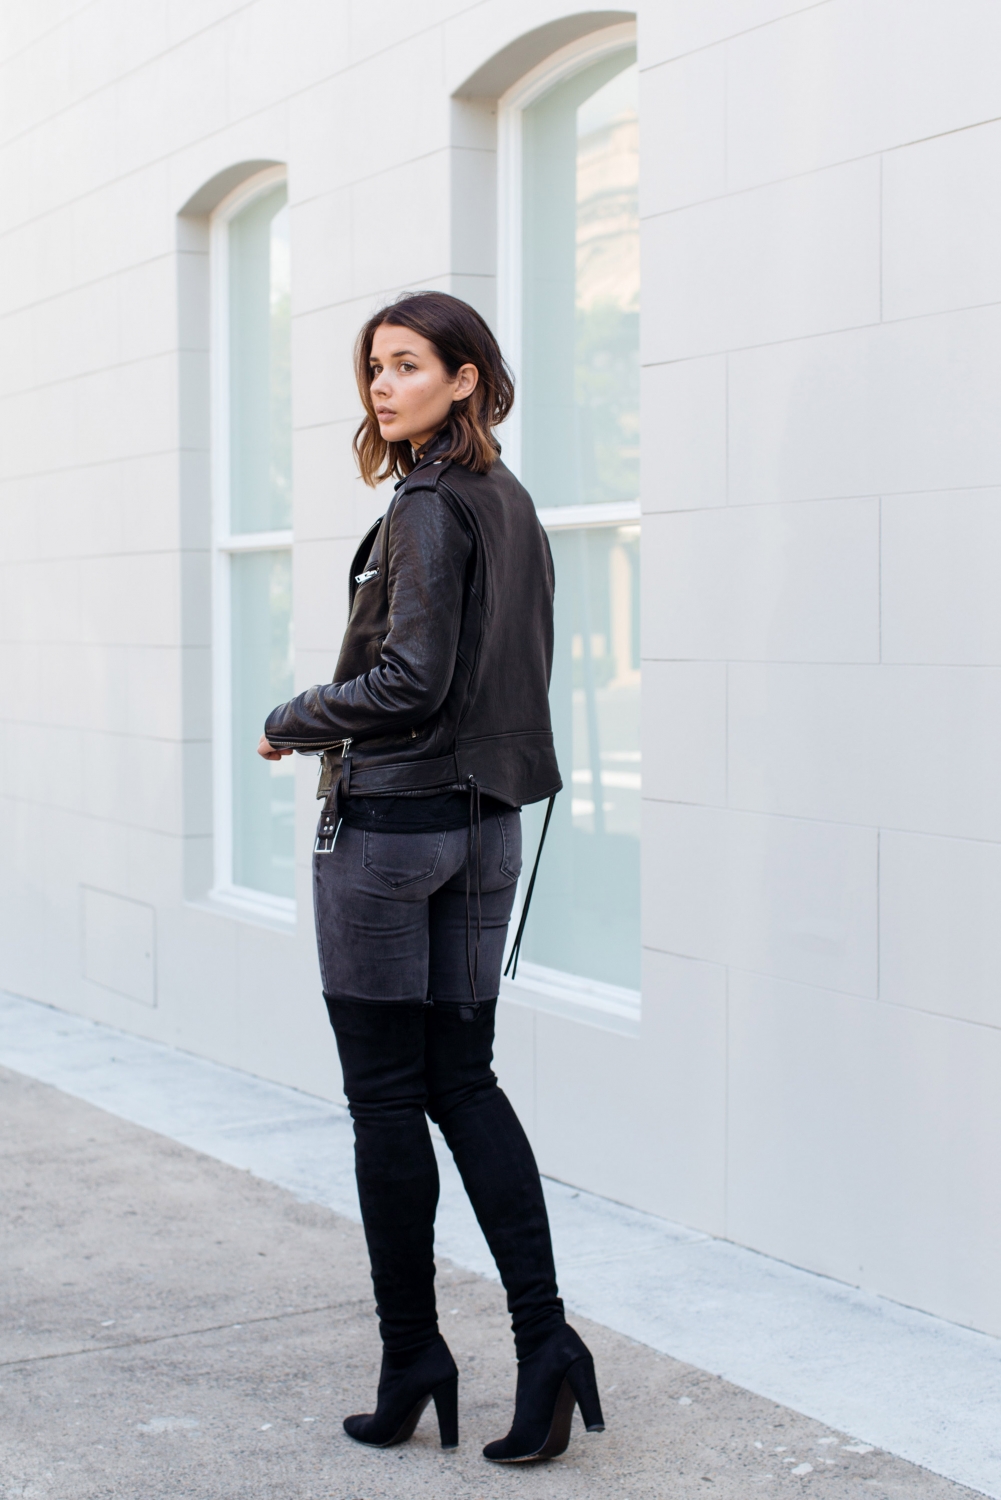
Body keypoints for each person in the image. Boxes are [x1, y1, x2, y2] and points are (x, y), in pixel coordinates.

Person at [259, 291, 604, 1464]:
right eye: (372, 369)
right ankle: (546, 1343)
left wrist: (295, 717)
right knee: (466, 1082)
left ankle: (413, 1352)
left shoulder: (422, 506)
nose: (382, 387)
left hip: (393, 833)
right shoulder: (509, 503)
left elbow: (406, 681)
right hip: (486, 827)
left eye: (406, 366)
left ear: (465, 378)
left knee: (384, 1099)